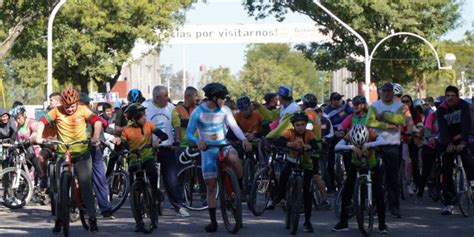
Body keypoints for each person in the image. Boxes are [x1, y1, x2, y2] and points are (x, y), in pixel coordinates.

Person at [186, 82, 252, 232]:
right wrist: (198, 141)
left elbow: (234, 127)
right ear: (214, 98)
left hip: (223, 145)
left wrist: (244, 140)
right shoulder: (198, 112)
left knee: (234, 157)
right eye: (222, 98)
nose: (224, 101)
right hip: (208, 149)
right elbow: (188, 134)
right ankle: (213, 222)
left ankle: (239, 187)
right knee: (211, 185)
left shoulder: (225, 110)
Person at [36, 88, 102, 233]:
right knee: (60, 189)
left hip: (81, 153)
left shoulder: (83, 110)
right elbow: (41, 121)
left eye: (72, 106)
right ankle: (59, 219)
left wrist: (96, 136)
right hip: (63, 153)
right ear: (62, 104)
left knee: (85, 186)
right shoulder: (56, 111)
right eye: (67, 106)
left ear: (77, 103)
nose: (70, 109)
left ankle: (92, 218)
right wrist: (39, 136)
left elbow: (97, 122)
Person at [114, 103, 168, 232]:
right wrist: (120, 145)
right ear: (134, 118)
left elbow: (163, 135)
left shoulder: (149, 125)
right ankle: (138, 220)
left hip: (148, 157)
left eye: (144, 115)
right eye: (141, 116)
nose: (144, 118)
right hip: (134, 161)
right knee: (135, 188)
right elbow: (123, 145)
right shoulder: (126, 131)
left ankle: (154, 194)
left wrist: (156, 142)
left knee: (152, 173)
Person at [143, 85, 190, 217]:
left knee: (171, 178)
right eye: (165, 96)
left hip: (167, 147)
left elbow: (177, 125)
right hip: (149, 148)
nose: (168, 98)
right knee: (148, 176)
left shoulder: (171, 108)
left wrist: (177, 140)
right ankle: (147, 203)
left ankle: (178, 206)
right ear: (157, 98)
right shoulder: (145, 107)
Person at [332, 125, 387, 234]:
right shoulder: (349, 134)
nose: (359, 146)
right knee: (347, 191)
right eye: (356, 143)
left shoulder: (371, 133)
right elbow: (337, 147)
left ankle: (382, 224)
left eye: (361, 143)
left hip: (372, 165)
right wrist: (351, 147)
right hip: (356, 165)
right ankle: (343, 222)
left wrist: (369, 145)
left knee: (378, 192)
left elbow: (383, 141)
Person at [273, 111, 319, 232]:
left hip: (306, 164)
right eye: (297, 125)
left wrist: (307, 147)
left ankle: (307, 222)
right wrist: (290, 144)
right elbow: (279, 141)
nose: (300, 127)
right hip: (292, 161)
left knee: (307, 192)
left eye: (302, 124)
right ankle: (281, 196)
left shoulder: (309, 134)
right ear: (294, 125)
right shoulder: (289, 132)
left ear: (306, 125)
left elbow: (316, 146)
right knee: (283, 174)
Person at [366, 82, 406, 218]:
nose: (386, 93)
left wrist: (384, 115)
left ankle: (394, 207)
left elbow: (401, 120)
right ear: (380, 92)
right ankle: (376, 205)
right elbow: (369, 122)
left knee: (392, 178)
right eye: (384, 91)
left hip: (392, 145)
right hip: (376, 144)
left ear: (392, 93)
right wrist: (388, 126)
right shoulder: (374, 105)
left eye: (389, 91)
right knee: (375, 176)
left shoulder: (400, 106)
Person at [437, 85, 474, 215]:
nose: (450, 98)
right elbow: (442, 127)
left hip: (462, 137)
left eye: (453, 96)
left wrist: (463, 141)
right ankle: (449, 202)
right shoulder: (441, 109)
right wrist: (448, 144)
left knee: (467, 158)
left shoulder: (464, 106)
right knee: (445, 168)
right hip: (447, 139)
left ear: (457, 97)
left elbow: (466, 124)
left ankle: (472, 183)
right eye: (447, 96)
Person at [78, 93, 114, 219]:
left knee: (100, 179)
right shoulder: (73, 116)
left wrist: (97, 139)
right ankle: (77, 206)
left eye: (87, 104)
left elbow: (101, 133)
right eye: (84, 104)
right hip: (78, 151)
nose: (87, 106)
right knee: (81, 179)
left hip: (94, 150)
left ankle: (105, 209)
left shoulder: (92, 115)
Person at [324, 92, 353, 193]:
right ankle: (331, 185)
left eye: (339, 99)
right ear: (332, 101)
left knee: (348, 157)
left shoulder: (346, 107)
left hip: (345, 133)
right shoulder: (327, 111)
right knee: (330, 160)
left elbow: (352, 116)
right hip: (333, 134)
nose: (338, 101)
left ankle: (350, 180)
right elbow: (325, 124)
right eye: (336, 99)